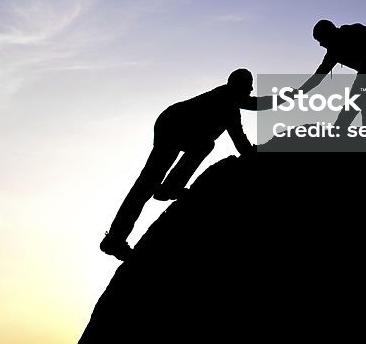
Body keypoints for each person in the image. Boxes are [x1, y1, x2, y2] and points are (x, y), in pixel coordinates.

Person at [100, 68, 269, 259]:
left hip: (175, 123)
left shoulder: (230, 98)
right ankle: (116, 238)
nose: (251, 90)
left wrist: (303, 90)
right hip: (173, 124)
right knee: (148, 182)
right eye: (248, 86)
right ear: (239, 87)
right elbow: (242, 141)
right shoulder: (227, 103)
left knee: (203, 145)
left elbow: (259, 105)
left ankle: (169, 189)